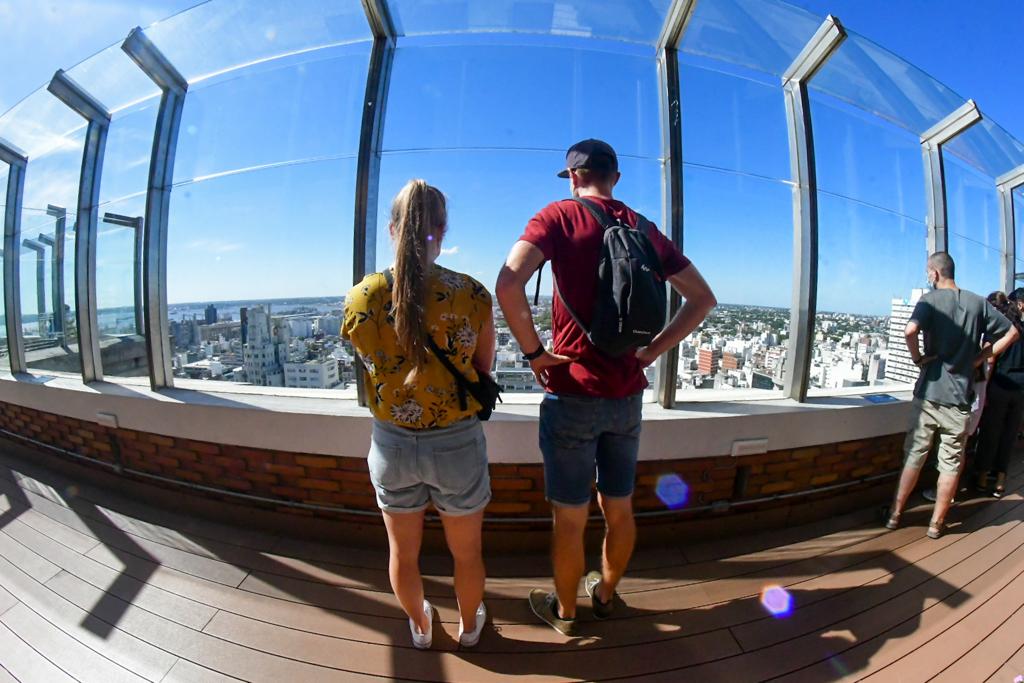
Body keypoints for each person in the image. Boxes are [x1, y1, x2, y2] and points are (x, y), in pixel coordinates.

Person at [495, 139, 716, 635]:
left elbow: (508, 284)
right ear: (615, 178)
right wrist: (653, 351)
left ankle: (567, 613)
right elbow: (702, 299)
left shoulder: (556, 216)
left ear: (573, 176)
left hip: (571, 390)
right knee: (619, 506)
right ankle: (608, 593)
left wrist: (534, 355)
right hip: (627, 396)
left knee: (569, 518)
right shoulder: (644, 228)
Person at [343, 179, 496, 649]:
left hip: (391, 443)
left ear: (392, 229)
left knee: (402, 554)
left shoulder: (361, 298)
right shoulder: (470, 293)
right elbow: (481, 369)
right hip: (456, 442)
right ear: (442, 229)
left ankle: (421, 627)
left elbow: (371, 376)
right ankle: (470, 628)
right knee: (466, 553)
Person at [885, 252, 1018, 539]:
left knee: (915, 455)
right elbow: (1011, 334)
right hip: (960, 397)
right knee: (951, 462)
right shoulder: (977, 303)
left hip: (930, 393)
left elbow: (910, 330)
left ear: (933, 273)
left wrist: (919, 358)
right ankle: (937, 523)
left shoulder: (929, 301)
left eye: (927, 273)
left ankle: (896, 515)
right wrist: (980, 358)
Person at [974, 287, 1024, 497]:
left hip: (1000, 386)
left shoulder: (1002, 330)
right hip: (1020, 389)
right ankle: (1000, 481)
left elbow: (992, 361)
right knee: (1009, 435)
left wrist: (983, 387)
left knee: (990, 433)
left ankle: (983, 478)